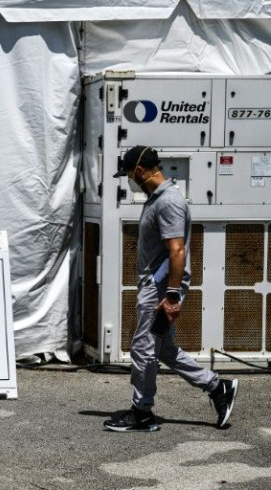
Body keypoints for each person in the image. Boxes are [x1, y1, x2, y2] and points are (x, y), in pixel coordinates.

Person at [103, 145, 238, 432]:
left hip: (160, 291)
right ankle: (217, 387)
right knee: (163, 349)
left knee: (143, 349)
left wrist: (172, 296)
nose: (128, 180)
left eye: (128, 175)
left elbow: (177, 250)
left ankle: (142, 413)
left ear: (139, 171)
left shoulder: (168, 202)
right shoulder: (158, 199)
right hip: (159, 288)